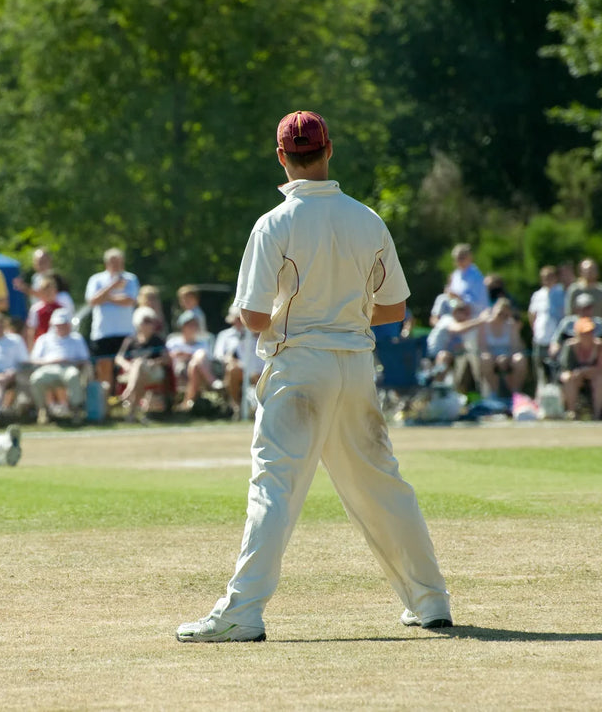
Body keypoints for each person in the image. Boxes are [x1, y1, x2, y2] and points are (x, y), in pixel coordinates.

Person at [177, 111, 451, 644]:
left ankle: (242, 612)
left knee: (274, 488)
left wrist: (303, 317)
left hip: (299, 365)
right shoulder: (367, 218)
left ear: (282, 157)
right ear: (330, 151)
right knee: (383, 485)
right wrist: (342, 316)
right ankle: (430, 599)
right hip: (354, 365)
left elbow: (254, 318)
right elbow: (394, 307)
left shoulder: (273, 224)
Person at [85, 248, 140, 398]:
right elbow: (93, 301)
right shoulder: (96, 279)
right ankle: (106, 403)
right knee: (104, 370)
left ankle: (128, 402)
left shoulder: (131, 279)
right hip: (103, 332)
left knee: (128, 368)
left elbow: (129, 300)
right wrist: (113, 287)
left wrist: (106, 298)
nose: (116, 265)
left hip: (126, 332)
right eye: (113, 262)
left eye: (119, 262)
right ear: (106, 263)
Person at [28, 309, 91, 423]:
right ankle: (43, 410)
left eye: (63, 324)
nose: (61, 327)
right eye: (58, 325)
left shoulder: (76, 338)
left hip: (69, 368)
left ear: (69, 324)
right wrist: (50, 361)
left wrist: (70, 361)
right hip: (47, 368)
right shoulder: (43, 339)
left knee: (73, 375)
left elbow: (84, 359)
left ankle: (76, 410)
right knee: (36, 379)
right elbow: (34, 360)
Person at [114, 306, 170, 424]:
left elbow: (167, 359)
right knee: (138, 366)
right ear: (138, 323)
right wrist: (126, 365)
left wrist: (154, 362)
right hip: (134, 373)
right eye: (145, 321)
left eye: (150, 321)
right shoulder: (131, 340)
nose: (148, 325)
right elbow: (119, 358)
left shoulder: (157, 340)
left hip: (154, 372)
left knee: (139, 363)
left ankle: (129, 391)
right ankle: (133, 412)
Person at [214, 306, 265, 416]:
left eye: (240, 319)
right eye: (237, 319)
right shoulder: (225, 335)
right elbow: (220, 356)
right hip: (238, 369)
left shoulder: (257, 335)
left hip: (259, 370)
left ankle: (259, 407)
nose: (239, 322)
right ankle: (237, 407)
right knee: (233, 369)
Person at [425, 298, 485, 391]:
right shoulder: (447, 319)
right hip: (430, 356)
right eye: (462, 312)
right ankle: (437, 388)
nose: (466, 316)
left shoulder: (458, 327)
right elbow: (459, 328)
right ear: (455, 312)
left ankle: (460, 390)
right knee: (445, 356)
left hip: (447, 356)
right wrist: (480, 320)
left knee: (468, 356)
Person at [166, 310, 220, 411]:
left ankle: (187, 403)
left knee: (195, 365)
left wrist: (188, 355)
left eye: (195, 325)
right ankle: (212, 381)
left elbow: (208, 359)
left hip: (199, 370)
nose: (193, 327)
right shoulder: (173, 342)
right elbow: (169, 356)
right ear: (182, 326)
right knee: (198, 356)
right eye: (190, 325)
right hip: (179, 370)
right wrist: (190, 355)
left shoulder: (203, 343)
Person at [558, 317, 602, 420]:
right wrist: (578, 374)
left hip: (594, 375)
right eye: (584, 333)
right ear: (577, 333)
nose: (588, 335)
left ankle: (597, 415)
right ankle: (572, 413)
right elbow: (566, 368)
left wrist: (585, 371)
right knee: (568, 379)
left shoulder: (600, 346)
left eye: (590, 332)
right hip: (575, 376)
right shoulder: (570, 346)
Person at [477, 298, 528, 398]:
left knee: (520, 359)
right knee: (485, 358)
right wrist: (496, 358)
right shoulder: (484, 325)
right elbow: (482, 347)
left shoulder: (511, 325)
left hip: (508, 356)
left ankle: (515, 392)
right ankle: (494, 392)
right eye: (500, 313)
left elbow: (516, 347)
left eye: (505, 314)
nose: (501, 316)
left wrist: (507, 357)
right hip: (491, 356)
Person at [527, 266, 566, 386]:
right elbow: (532, 315)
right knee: (540, 371)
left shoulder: (561, 293)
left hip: (556, 339)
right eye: (544, 277)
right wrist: (535, 331)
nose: (547, 280)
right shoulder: (537, 295)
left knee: (557, 371)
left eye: (550, 277)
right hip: (540, 338)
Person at [24, 276, 64, 350]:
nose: (48, 295)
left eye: (50, 292)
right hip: (42, 345)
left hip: (58, 344)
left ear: (55, 291)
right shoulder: (36, 308)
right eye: (46, 292)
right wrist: (31, 348)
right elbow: (32, 330)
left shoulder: (61, 308)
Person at [447, 243, 489, 315]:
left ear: (470, 258)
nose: (459, 261)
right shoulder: (455, 275)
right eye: (457, 259)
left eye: (462, 258)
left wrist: (459, 297)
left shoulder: (476, 276)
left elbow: (478, 301)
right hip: (456, 313)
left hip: (474, 316)